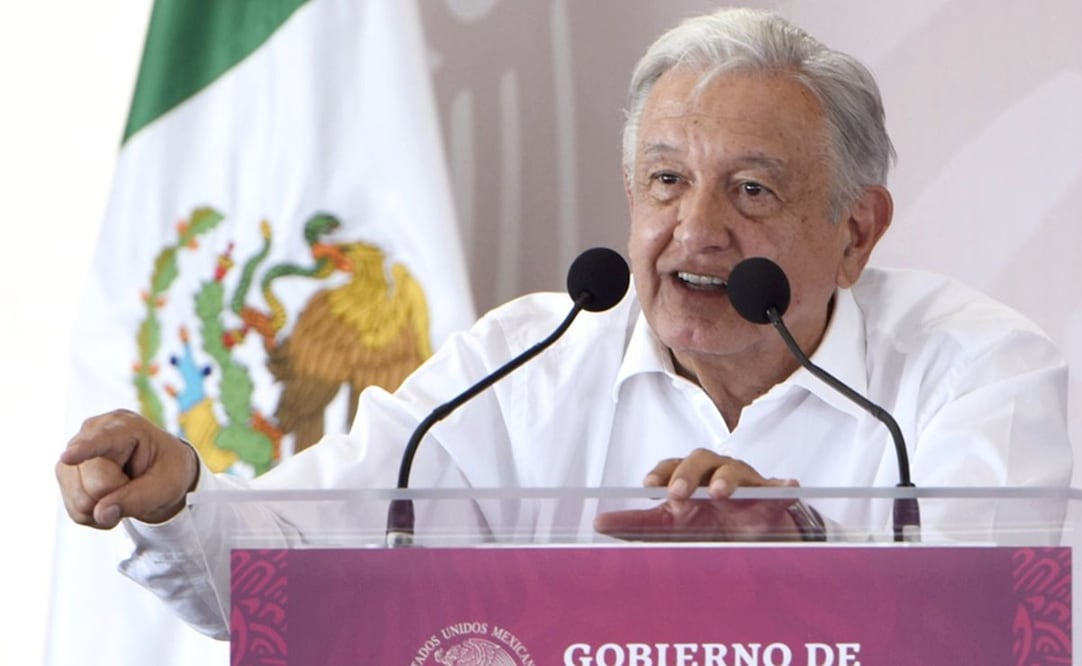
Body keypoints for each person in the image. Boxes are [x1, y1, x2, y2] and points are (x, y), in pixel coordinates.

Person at [56, 7, 1071, 640]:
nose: (694, 230)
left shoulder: (975, 371)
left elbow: (999, 618)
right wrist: (179, 499)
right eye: (664, 182)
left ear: (855, 231)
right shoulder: (519, 362)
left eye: (751, 192)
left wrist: (803, 546)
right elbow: (307, 557)